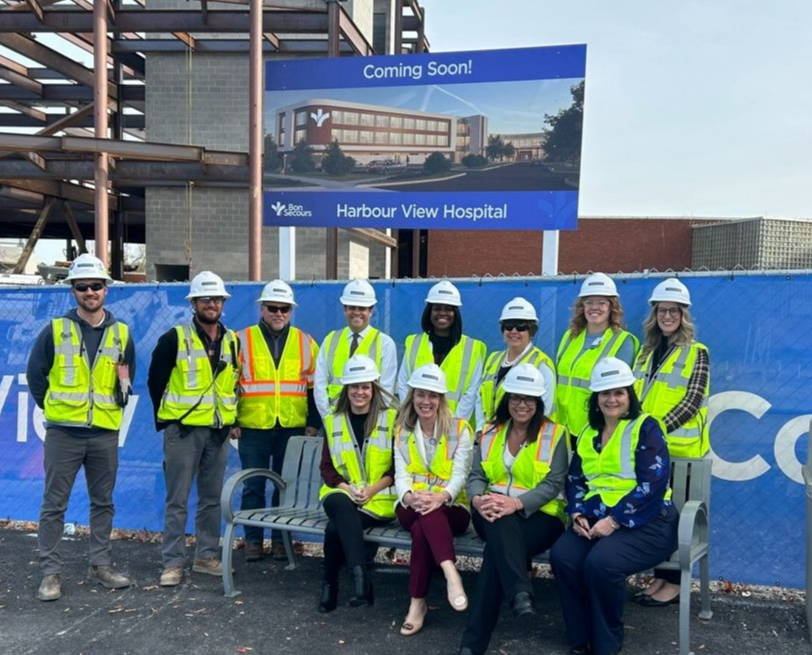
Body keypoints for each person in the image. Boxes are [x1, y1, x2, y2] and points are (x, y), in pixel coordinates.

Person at [550, 358, 678, 655]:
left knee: (602, 563)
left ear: (629, 395)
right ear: (595, 398)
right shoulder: (587, 433)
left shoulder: (646, 427)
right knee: (564, 556)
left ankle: (606, 643)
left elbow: (653, 485)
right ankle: (580, 639)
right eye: (605, 393)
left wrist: (615, 520)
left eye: (619, 392)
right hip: (597, 518)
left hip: (649, 521)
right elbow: (576, 479)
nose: (612, 399)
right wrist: (578, 512)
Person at [27, 254, 136, 601]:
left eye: (96, 286)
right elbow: (35, 376)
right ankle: (50, 574)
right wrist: (57, 409)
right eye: (82, 286)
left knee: (103, 503)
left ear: (106, 289)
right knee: (54, 505)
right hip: (64, 434)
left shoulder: (122, 333)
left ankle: (100, 565)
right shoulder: (55, 331)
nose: (90, 291)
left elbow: (126, 376)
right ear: (73, 290)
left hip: (104, 433)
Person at [459, 364, 568, 655]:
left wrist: (516, 503)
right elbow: (476, 477)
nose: (522, 404)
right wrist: (478, 500)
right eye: (516, 398)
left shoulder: (555, 433)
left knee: (495, 553)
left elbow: (554, 482)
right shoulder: (490, 431)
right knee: (499, 522)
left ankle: (472, 644)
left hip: (541, 517)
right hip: (489, 512)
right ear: (507, 400)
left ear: (539, 402)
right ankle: (520, 590)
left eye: (529, 399)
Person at [148, 271, 240, 587]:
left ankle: (206, 556)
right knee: (177, 500)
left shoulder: (232, 340)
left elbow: (232, 384)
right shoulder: (174, 338)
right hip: (184, 432)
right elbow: (155, 382)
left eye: (217, 299)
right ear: (194, 303)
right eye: (206, 299)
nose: (212, 304)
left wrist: (230, 421)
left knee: (212, 499)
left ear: (223, 303)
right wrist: (170, 421)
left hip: (217, 432)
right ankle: (172, 563)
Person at [632, 278, 710, 607]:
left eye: (673, 311)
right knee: (655, 514)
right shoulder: (646, 350)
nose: (667, 316)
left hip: (682, 453)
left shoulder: (698, 353)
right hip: (649, 451)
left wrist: (655, 431)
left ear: (683, 315)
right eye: (662, 310)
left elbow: (692, 401)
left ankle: (675, 584)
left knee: (678, 518)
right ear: (654, 314)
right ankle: (660, 577)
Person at [232, 280, 321, 562]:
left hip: (292, 427)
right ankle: (254, 540)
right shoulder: (240, 340)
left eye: (284, 308)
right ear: (262, 308)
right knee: (254, 485)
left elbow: (314, 386)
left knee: (287, 487)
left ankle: (282, 540)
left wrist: (312, 422)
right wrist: (232, 420)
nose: (279, 313)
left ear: (291, 311)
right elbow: (228, 383)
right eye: (273, 307)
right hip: (253, 425)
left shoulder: (305, 342)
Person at [394, 364, 474, 637]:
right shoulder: (402, 430)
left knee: (423, 526)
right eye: (420, 394)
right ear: (412, 396)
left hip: (452, 508)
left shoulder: (460, 429)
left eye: (433, 395)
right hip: (412, 505)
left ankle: (417, 605)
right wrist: (408, 496)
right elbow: (400, 474)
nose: (426, 401)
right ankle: (452, 574)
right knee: (422, 517)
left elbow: (462, 473)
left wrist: (441, 497)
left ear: (442, 399)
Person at [317, 355, 397, 613]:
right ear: (346, 389)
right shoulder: (333, 419)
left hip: (378, 499)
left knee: (333, 530)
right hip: (341, 493)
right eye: (354, 386)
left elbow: (397, 468)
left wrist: (371, 490)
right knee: (340, 505)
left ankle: (330, 584)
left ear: (374, 388)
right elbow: (327, 468)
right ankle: (360, 579)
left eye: (365, 386)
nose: (360, 392)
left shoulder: (391, 419)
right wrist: (347, 488)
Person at [556, 273, 639, 441]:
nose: (595, 307)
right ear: (582, 307)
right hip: (561, 426)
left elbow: (621, 393)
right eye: (589, 302)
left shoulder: (623, 342)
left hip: (595, 428)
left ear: (611, 307)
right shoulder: (570, 337)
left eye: (601, 302)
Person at [398, 280, 486, 424]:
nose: (442, 313)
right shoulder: (414, 343)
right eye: (437, 308)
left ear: (456, 313)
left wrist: (452, 424)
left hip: (453, 425)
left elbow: (471, 393)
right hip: (417, 422)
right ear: (429, 311)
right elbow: (403, 383)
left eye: (448, 309)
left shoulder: (471, 348)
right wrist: (413, 417)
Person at [314, 279, 397, 419]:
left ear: (371, 310)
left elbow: (386, 390)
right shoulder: (330, 340)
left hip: (369, 421)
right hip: (334, 417)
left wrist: (373, 420)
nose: (356, 312)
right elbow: (320, 384)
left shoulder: (385, 343)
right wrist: (328, 418)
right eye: (352, 307)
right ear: (344, 309)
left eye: (362, 308)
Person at [476, 297, 556, 432]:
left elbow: (544, 408)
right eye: (508, 326)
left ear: (531, 331)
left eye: (521, 327)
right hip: (490, 434)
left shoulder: (542, 364)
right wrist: (481, 428)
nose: (514, 331)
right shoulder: (493, 359)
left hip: (524, 437)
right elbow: (480, 398)